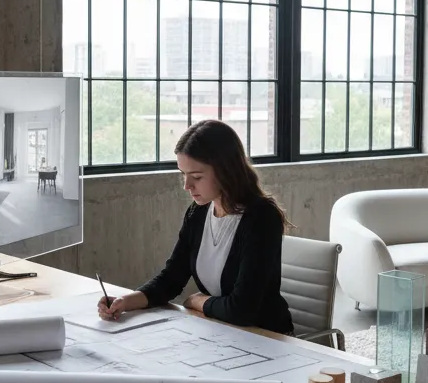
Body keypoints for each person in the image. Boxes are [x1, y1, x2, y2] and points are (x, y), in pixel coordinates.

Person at [97, 120, 294, 334]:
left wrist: (198, 301)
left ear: (225, 170)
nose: (186, 185)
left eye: (197, 177)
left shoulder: (261, 218)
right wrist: (125, 302)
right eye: (183, 174)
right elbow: (171, 279)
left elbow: (242, 309)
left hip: (267, 338)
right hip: (223, 332)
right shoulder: (198, 212)